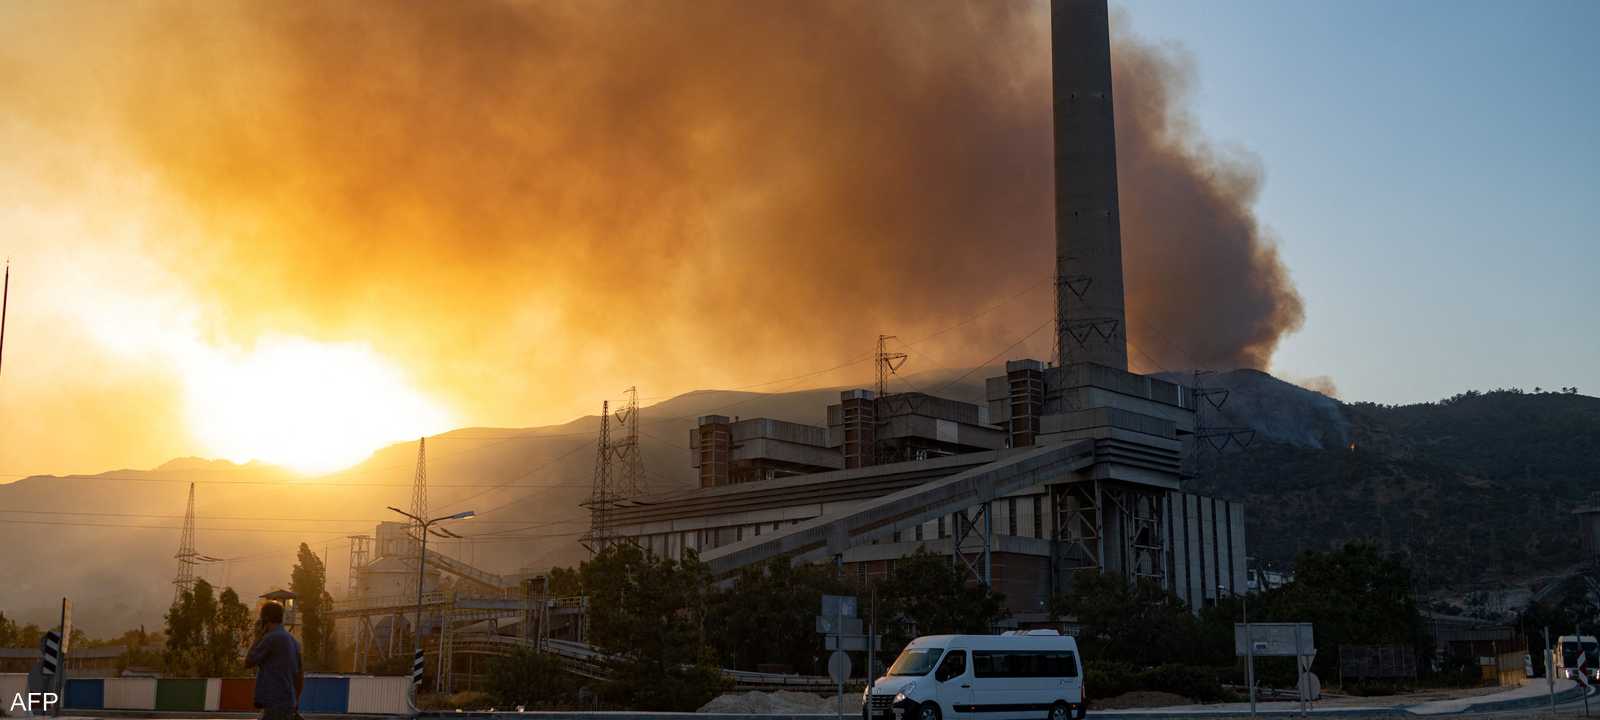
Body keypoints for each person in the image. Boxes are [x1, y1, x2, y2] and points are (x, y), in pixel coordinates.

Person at [245, 602, 303, 720]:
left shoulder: (271, 638)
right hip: (288, 704)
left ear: (265, 620)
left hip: (274, 703)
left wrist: (257, 637)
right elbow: (300, 676)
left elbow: (248, 662)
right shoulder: (293, 641)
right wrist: (295, 702)